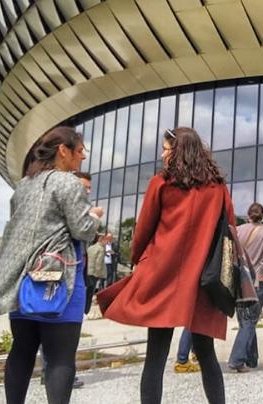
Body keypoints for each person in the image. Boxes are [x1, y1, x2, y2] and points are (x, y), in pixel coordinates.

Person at [98, 127, 235, 404]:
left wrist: (139, 260)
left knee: (156, 357)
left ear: (179, 151)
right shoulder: (217, 188)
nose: (162, 154)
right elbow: (229, 229)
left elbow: (143, 230)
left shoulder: (160, 183)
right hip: (203, 278)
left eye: (166, 148)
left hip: (163, 275)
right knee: (206, 354)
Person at [0, 126, 102, 404]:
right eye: (79, 151)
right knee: (60, 358)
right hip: (58, 283)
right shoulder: (68, 183)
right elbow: (82, 230)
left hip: (22, 283)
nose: (83, 157)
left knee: (21, 350)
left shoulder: (23, 186)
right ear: (63, 151)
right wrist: (95, 217)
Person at [228, 202, 263, 372]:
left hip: (241, 280)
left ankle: (252, 359)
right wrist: (261, 270)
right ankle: (236, 360)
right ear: (262, 215)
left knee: (246, 320)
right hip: (257, 281)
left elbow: (230, 250)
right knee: (249, 321)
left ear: (248, 215)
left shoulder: (239, 230)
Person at [85, 234, 107, 315]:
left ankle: (85, 308)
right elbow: (98, 262)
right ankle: (86, 310)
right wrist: (98, 273)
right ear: (101, 240)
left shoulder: (90, 248)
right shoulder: (101, 249)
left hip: (88, 271)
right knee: (91, 292)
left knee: (88, 291)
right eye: (106, 241)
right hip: (95, 273)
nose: (106, 243)